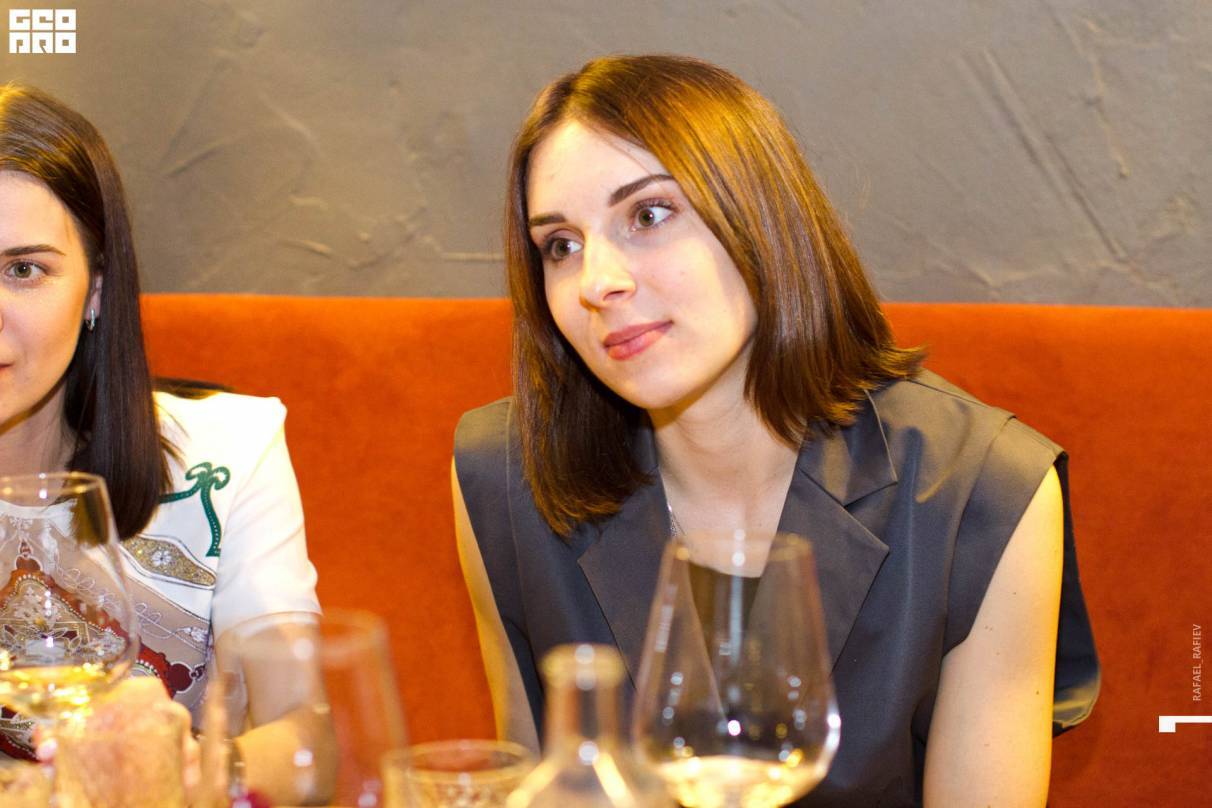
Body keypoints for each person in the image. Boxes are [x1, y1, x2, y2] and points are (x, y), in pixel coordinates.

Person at [453, 54, 1099, 806]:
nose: (597, 282)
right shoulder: (505, 476)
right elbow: (539, 783)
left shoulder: (982, 493)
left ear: (759, 215)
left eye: (649, 215)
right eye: (560, 245)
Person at [0, 84, 332, 804]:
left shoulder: (228, 451)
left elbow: (308, 741)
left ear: (95, 289)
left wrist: (190, 771)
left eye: (24, 270)